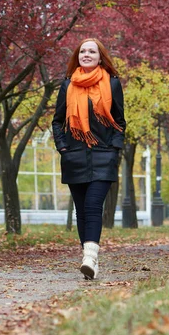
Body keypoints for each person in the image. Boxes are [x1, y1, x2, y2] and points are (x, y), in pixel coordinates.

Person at [52, 38, 126, 280]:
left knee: (94, 206)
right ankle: (89, 260)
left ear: (100, 57)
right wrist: (62, 147)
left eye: (91, 51)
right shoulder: (67, 85)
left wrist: (114, 148)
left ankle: (90, 258)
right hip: (74, 156)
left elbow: (119, 121)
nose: (86, 54)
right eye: (82, 51)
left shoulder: (113, 84)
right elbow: (57, 120)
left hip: (104, 155)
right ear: (78, 56)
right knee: (81, 211)